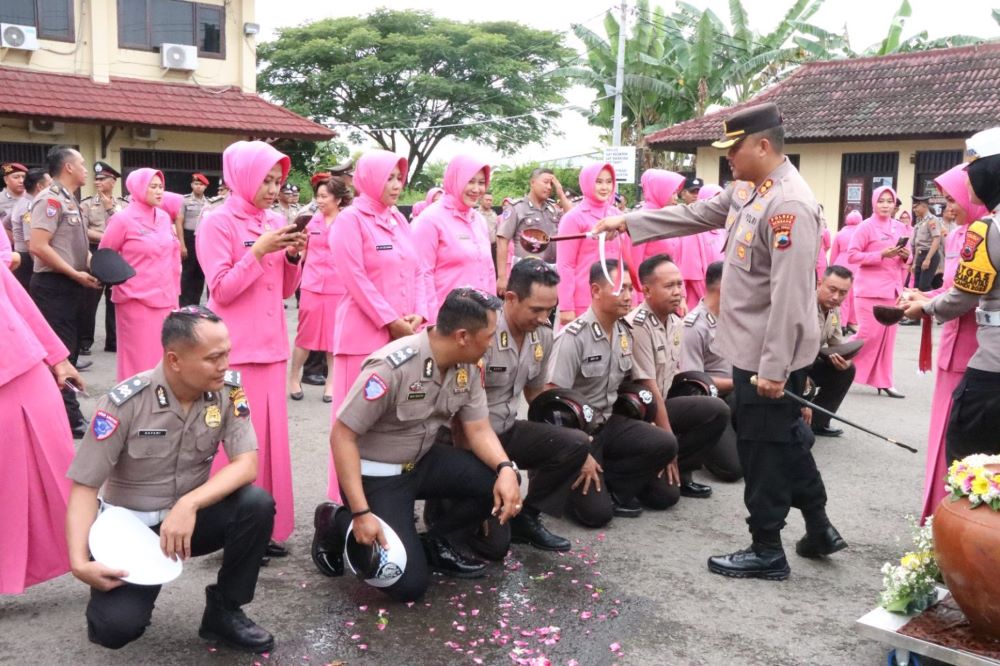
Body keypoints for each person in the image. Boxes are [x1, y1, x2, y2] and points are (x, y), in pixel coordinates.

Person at [592, 102, 844, 580]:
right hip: (752, 349)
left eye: (735, 147)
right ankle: (819, 525)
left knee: (762, 450)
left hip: (769, 355)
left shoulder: (788, 205)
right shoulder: (749, 188)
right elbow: (697, 213)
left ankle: (766, 548)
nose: (728, 156)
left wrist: (773, 368)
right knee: (787, 441)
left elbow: (791, 300)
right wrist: (629, 223)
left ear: (763, 145)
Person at [64, 306, 275, 652]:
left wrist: (189, 504)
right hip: (131, 530)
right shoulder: (126, 402)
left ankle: (225, 612)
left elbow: (246, 464)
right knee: (114, 630)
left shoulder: (227, 391)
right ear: (175, 360)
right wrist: (78, 562)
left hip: (188, 524)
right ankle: (124, 603)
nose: (224, 365)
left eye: (227, 354)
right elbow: (85, 486)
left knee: (256, 504)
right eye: (213, 358)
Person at [312, 289, 522, 601]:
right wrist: (359, 512)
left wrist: (505, 468)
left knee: (501, 479)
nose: (492, 343)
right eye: (489, 336)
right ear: (463, 336)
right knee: (408, 586)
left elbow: (478, 428)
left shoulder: (466, 365)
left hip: (422, 461)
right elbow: (342, 436)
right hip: (378, 477)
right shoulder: (392, 367)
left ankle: (437, 541)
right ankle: (335, 520)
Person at [196, 141, 305, 554]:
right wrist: (258, 252)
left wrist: (293, 258)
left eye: (278, 181)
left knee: (268, 443)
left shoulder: (274, 220)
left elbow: (284, 290)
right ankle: (229, 531)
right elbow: (221, 289)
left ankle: (261, 526)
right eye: (266, 180)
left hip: (272, 346)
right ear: (241, 177)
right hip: (234, 350)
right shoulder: (217, 222)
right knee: (237, 443)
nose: (274, 189)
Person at [329, 151, 431, 500]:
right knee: (354, 425)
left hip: (403, 335)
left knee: (391, 422)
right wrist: (390, 320)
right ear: (370, 178)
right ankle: (349, 502)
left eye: (399, 178)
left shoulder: (399, 221)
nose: (397, 185)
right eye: (389, 177)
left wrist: (419, 313)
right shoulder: (350, 220)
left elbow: (418, 269)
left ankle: (388, 495)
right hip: (363, 336)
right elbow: (354, 278)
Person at [547, 260, 677, 524]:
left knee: (665, 456)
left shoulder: (624, 333)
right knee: (597, 515)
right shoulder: (573, 338)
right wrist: (580, 454)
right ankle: (572, 488)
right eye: (621, 289)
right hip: (577, 434)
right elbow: (551, 403)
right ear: (595, 291)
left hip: (608, 424)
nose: (629, 296)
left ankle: (613, 486)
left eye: (631, 289)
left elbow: (632, 388)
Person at [902, 127, 1000, 463]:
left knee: (970, 463)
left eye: (971, 172)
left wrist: (926, 309)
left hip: (992, 365)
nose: (967, 181)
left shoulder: (987, 229)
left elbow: (964, 296)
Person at [477, 259, 589, 551]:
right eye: (536, 309)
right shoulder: (483, 332)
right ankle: (451, 510)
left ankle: (527, 517)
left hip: (507, 428)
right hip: (471, 440)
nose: (544, 318)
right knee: (493, 548)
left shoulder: (543, 334)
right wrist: (503, 467)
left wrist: (567, 442)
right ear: (510, 298)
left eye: (550, 310)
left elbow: (536, 393)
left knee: (575, 443)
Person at [903, 162, 989, 521]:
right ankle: (936, 514)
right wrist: (921, 294)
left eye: (954, 199)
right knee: (940, 436)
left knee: (961, 444)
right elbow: (953, 289)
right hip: (950, 347)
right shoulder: (957, 238)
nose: (949, 207)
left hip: (975, 352)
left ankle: (954, 520)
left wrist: (925, 307)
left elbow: (969, 298)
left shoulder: (986, 236)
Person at [1, 261, 82, 595]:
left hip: (26, 366)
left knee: (62, 473)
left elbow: (16, 297)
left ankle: (94, 553)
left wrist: (58, 359)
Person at [626, 253, 734, 494]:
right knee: (665, 496)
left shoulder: (676, 323)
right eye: (669, 286)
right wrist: (669, 442)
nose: (678, 292)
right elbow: (648, 386)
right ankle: (651, 466)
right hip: (638, 414)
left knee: (715, 408)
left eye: (679, 284)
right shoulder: (637, 325)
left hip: (662, 405)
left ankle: (682, 468)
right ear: (647, 290)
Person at [29, 146, 101, 438]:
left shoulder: (73, 201)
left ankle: (61, 411)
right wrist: (74, 273)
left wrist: (96, 267)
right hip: (53, 286)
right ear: (68, 168)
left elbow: (77, 249)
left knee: (69, 350)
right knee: (61, 355)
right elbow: (38, 246)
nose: (87, 169)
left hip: (72, 284)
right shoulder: (49, 201)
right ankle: (70, 419)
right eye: (82, 164)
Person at [98, 168, 181, 380]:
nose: (159, 191)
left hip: (165, 299)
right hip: (135, 301)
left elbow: (172, 257)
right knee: (139, 362)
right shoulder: (122, 219)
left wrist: (174, 297)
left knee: (164, 359)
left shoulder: (163, 217)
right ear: (138, 188)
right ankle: (133, 408)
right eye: (152, 187)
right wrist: (121, 283)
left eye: (161, 186)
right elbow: (105, 255)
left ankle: (160, 407)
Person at [288, 176, 350, 404]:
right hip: (312, 285)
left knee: (334, 340)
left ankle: (331, 383)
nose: (319, 201)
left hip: (338, 287)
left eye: (324, 196)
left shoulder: (347, 222)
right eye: (318, 196)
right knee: (305, 336)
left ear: (338, 199)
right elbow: (300, 252)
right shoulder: (310, 221)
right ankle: (294, 377)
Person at [677, 261, 741, 481]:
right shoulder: (694, 326)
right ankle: (702, 445)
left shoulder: (734, 318)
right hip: (710, 403)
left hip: (735, 395)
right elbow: (694, 384)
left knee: (798, 438)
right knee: (733, 469)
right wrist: (741, 381)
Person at [412, 155, 495, 318]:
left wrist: (493, 311)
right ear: (454, 179)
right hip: (447, 321)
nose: (476, 189)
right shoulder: (430, 219)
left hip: (480, 319)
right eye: (470, 181)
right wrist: (431, 321)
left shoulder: (478, 219)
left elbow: (489, 270)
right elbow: (422, 275)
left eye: (481, 182)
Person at [847, 186, 910, 398]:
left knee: (888, 338)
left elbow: (907, 260)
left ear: (894, 204)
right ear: (874, 202)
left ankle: (885, 380)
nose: (885, 205)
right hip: (869, 291)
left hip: (892, 290)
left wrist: (904, 256)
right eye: (881, 201)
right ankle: (834, 362)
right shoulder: (865, 227)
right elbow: (853, 255)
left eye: (889, 201)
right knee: (868, 334)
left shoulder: (900, 227)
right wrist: (880, 254)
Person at [557, 163, 634, 323]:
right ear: (587, 182)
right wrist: (566, 307)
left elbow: (627, 260)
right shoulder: (573, 218)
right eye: (598, 182)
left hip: (615, 297)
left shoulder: (618, 216)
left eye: (608, 181)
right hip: (584, 299)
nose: (604, 187)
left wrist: (634, 296)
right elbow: (565, 265)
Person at [496, 168, 572, 292]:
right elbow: (502, 240)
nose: (549, 187)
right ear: (532, 182)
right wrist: (502, 277)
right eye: (545, 182)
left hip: (552, 272)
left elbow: (574, 217)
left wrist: (561, 193)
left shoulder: (552, 207)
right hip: (526, 273)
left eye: (551, 184)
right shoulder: (516, 208)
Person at [78, 161, 126, 356]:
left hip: (116, 254)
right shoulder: (87, 204)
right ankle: (84, 341)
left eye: (102, 178)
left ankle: (113, 341)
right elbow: (82, 230)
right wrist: (108, 237)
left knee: (114, 299)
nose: (97, 182)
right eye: (96, 179)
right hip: (95, 252)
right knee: (89, 299)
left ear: (113, 181)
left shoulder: (123, 204)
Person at [809, 266, 859, 437]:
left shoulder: (833, 309)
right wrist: (801, 379)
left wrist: (844, 361)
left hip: (810, 360)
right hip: (790, 365)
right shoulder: (804, 307)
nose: (837, 297)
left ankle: (818, 421)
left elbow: (835, 344)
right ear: (819, 284)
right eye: (832, 290)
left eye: (843, 293)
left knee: (846, 370)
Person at [629, 170, 685, 275]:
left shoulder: (669, 217)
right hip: (650, 286)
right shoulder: (641, 220)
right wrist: (639, 291)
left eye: (676, 193)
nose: (676, 198)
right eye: (672, 193)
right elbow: (634, 264)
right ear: (660, 191)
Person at [8, 167, 51, 290]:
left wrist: (16, 237)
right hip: (28, 260)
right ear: (40, 187)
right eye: (50, 185)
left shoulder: (23, 201)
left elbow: (6, 224)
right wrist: (41, 269)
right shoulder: (29, 206)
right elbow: (30, 243)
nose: (53, 189)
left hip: (23, 256)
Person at [178, 173, 211, 306]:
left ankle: (195, 304)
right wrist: (182, 244)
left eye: (201, 185)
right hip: (189, 238)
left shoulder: (209, 203)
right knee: (187, 273)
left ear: (205, 187)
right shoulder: (184, 200)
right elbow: (179, 222)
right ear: (191, 185)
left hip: (203, 239)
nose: (198, 187)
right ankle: (184, 304)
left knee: (200, 273)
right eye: (196, 184)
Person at [829, 210, 863, 333]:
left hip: (841, 262)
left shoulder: (840, 233)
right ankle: (852, 322)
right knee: (854, 294)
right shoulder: (861, 232)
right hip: (857, 264)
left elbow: (834, 253)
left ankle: (841, 323)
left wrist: (831, 267)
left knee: (841, 295)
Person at [911, 195, 943, 292]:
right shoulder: (921, 223)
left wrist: (928, 259)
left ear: (923, 206)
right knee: (916, 287)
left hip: (930, 255)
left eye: (916, 207)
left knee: (924, 287)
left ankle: (927, 306)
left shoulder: (932, 220)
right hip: (920, 255)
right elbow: (918, 245)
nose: (914, 210)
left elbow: (936, 240)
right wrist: (915, 263)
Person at [0, 162, 27, 243]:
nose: (21, 181)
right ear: (6, 180)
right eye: (16, 177)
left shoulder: (34, 196)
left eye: (24, 177)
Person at [479, 191, 499, 273]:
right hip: (480, 246)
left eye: (490, 200)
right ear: (481, 200)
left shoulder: (494, 215)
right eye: (486, 200)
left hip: (493, 247)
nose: (489, 202)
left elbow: (497, 231)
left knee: (493, 269)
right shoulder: (476, 214)